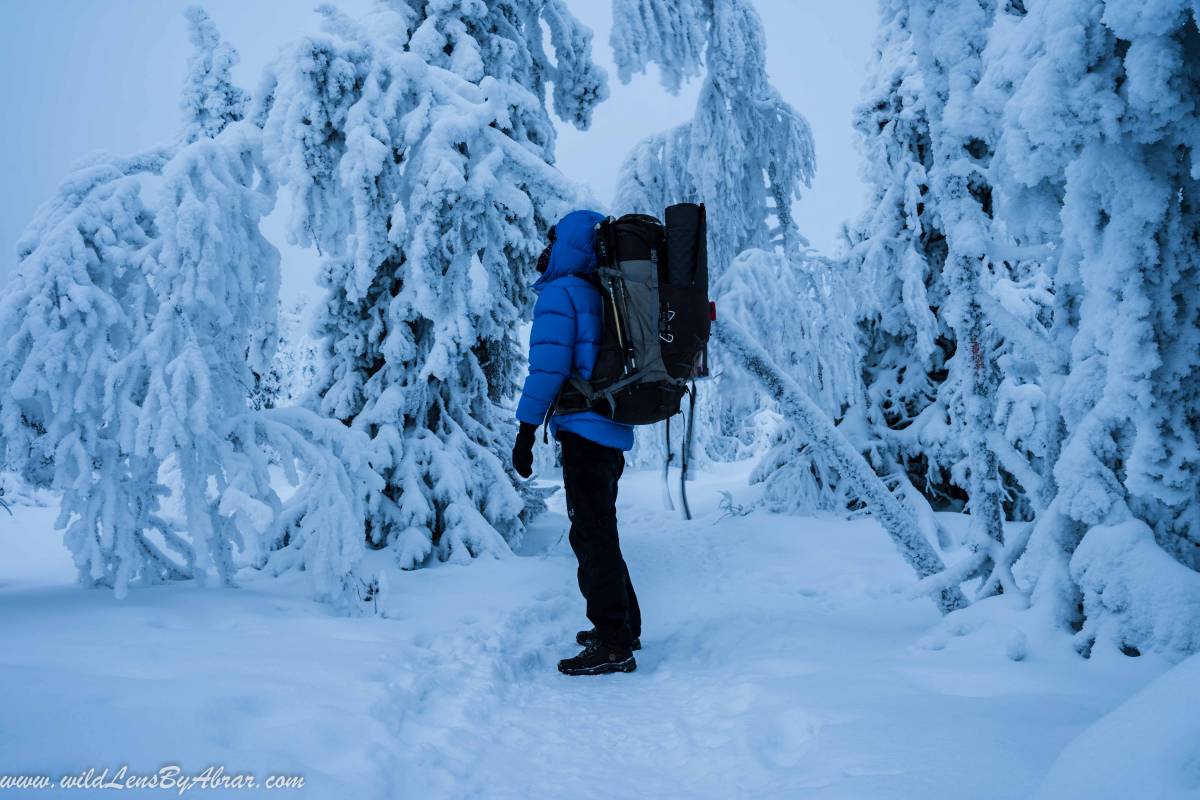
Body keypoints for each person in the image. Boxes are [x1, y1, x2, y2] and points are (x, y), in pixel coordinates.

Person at [512, 209, 642, 676]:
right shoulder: (602, 293)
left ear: (568, 244)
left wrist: (525, 431)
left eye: (551, 239)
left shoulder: (562, 293)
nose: (544, 248)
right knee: (600, 527)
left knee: (591, 532)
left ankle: (612, 643)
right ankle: (624, 627)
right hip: (610, 429)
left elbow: (545, 370)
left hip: (585, 430)